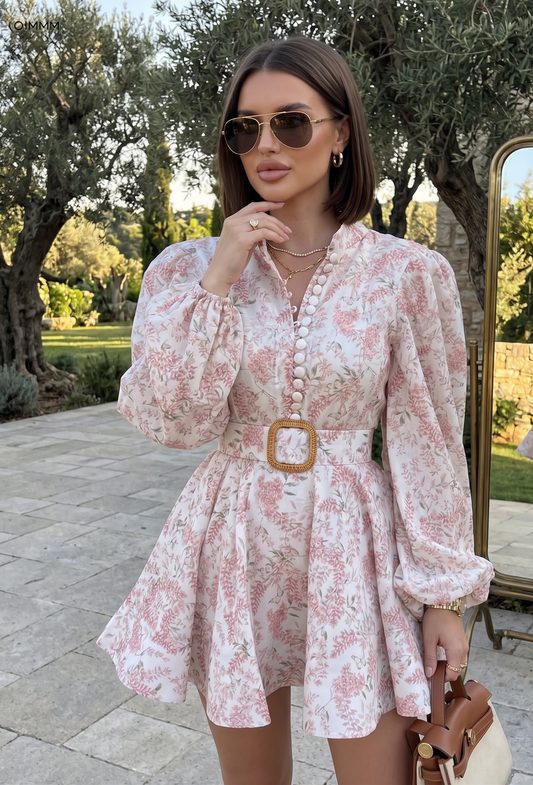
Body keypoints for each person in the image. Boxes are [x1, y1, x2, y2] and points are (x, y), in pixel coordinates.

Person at [96, 37, 494, 785]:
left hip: (354, 545)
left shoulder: (405, 275)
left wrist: (443, 593)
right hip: (235, 538)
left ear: (341, 131)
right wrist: (220, 275)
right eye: (244, 129)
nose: (265, 144)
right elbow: (169, 419)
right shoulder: (184, 269)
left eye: (290, 122)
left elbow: (427, 441)